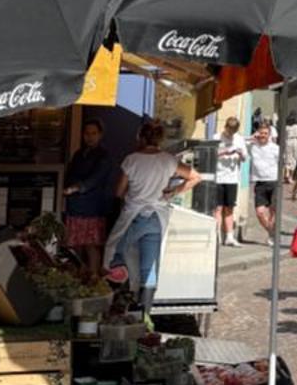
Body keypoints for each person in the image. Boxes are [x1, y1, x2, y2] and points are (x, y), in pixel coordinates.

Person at [105, 122, 201, 314]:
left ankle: (121, 299)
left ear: (141, 137)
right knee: (149, 269)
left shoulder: (131, 160)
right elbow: (196, 177)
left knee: (114, 252)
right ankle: (144, 315)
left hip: (135, 216)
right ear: (160, 139)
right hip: (157, 218)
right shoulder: (168, 160)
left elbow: (118, 191)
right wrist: (173, 191)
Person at [62, 117, 117, 272]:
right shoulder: (79, 154)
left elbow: (95, 178)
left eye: (94, 133)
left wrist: (76, 188)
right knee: (75, 245)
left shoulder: (104, 156)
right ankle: (78, 278)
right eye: (87, 133)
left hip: (93, 208)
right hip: (74, 207)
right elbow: (69, 174)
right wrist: (67, 188)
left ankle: (93, 279)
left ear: (100, 135)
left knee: (91, 245)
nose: (90, 136)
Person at [213, 115, 246, 246]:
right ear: (225, 127)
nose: (230, 134)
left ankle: (229, 236)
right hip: (218, 176)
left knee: (229, 208)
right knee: (217, 208)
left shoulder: (239, 139)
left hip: (232, 178)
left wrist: (240, 153)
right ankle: (216, 235)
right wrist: (224, 152)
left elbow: (245, 158)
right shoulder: (216, 137)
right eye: (229, 131)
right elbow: (211, 154)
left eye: (233, 132)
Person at [249, 116, 280, 240]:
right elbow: (240, 141)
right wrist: (252, 137)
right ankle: (271, 231)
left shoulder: (275, 148)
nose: (263, 135)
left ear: (269, 135)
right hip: (260, 183)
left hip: (273, 181)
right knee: (260, 212)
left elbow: (281, 164)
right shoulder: (252, 146)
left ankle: (271, 235)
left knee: (273, 211)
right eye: (261, 133)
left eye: (265, 133)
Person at [284, 117, 297, 200]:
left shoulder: (287, 127)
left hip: (287, 141)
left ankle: (287, 173)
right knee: (294, 158)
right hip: (295, 141)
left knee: (288, 157)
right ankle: (291, 176)